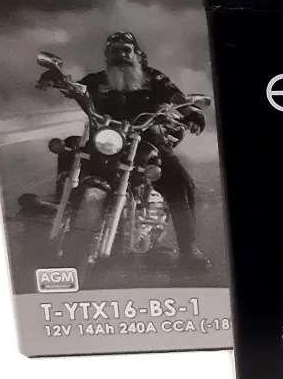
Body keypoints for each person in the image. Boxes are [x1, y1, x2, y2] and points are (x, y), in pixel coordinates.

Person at [52, 31, 210, 269]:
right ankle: (60, 215)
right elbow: (74, 88)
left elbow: (175, 95)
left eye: (126, 50)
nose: (121, 54)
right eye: (115, 50)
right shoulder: (96, 80)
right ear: (107, 55)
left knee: (179, 181)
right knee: (68, 151)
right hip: (106, 142)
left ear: (137, 54)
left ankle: (188, 249)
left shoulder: (153, 78)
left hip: (148, 143)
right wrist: (56, 78)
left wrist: (191, 112)